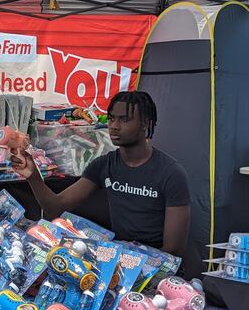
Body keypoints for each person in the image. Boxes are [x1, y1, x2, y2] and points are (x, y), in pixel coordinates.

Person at [11, 91, 190, 257]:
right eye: (112, 119)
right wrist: (33, 176)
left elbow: (173, 249)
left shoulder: (171, 173)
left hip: (156, 265)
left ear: (145, 123)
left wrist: (140, 264)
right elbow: (56, 207)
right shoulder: (104, 165)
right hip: (120, 257)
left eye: (124, 119)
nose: (114, 126)